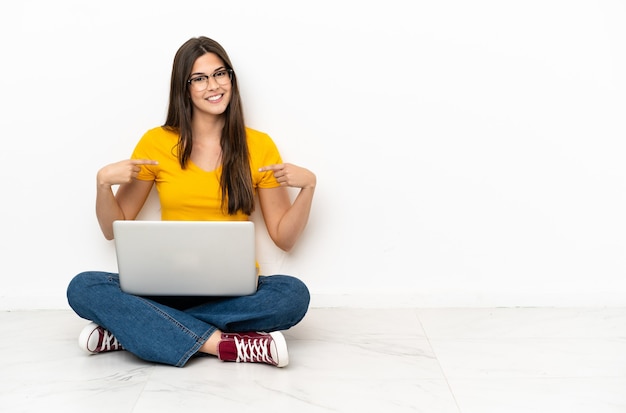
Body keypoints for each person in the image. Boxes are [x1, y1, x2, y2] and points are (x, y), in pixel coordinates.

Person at [66, 36, 315, 368]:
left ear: (231, 79)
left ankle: (131, 330)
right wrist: (102, 183)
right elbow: (113, 228)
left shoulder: (259, 145)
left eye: (220, 74)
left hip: (235, 290)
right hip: (165, 287)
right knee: (83, 286)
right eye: (199, 78)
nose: (213, 85)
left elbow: (284, 238)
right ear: (184, 88)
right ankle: (224, 345)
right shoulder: (156, 143)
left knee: (292, 295)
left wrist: (309, 186)